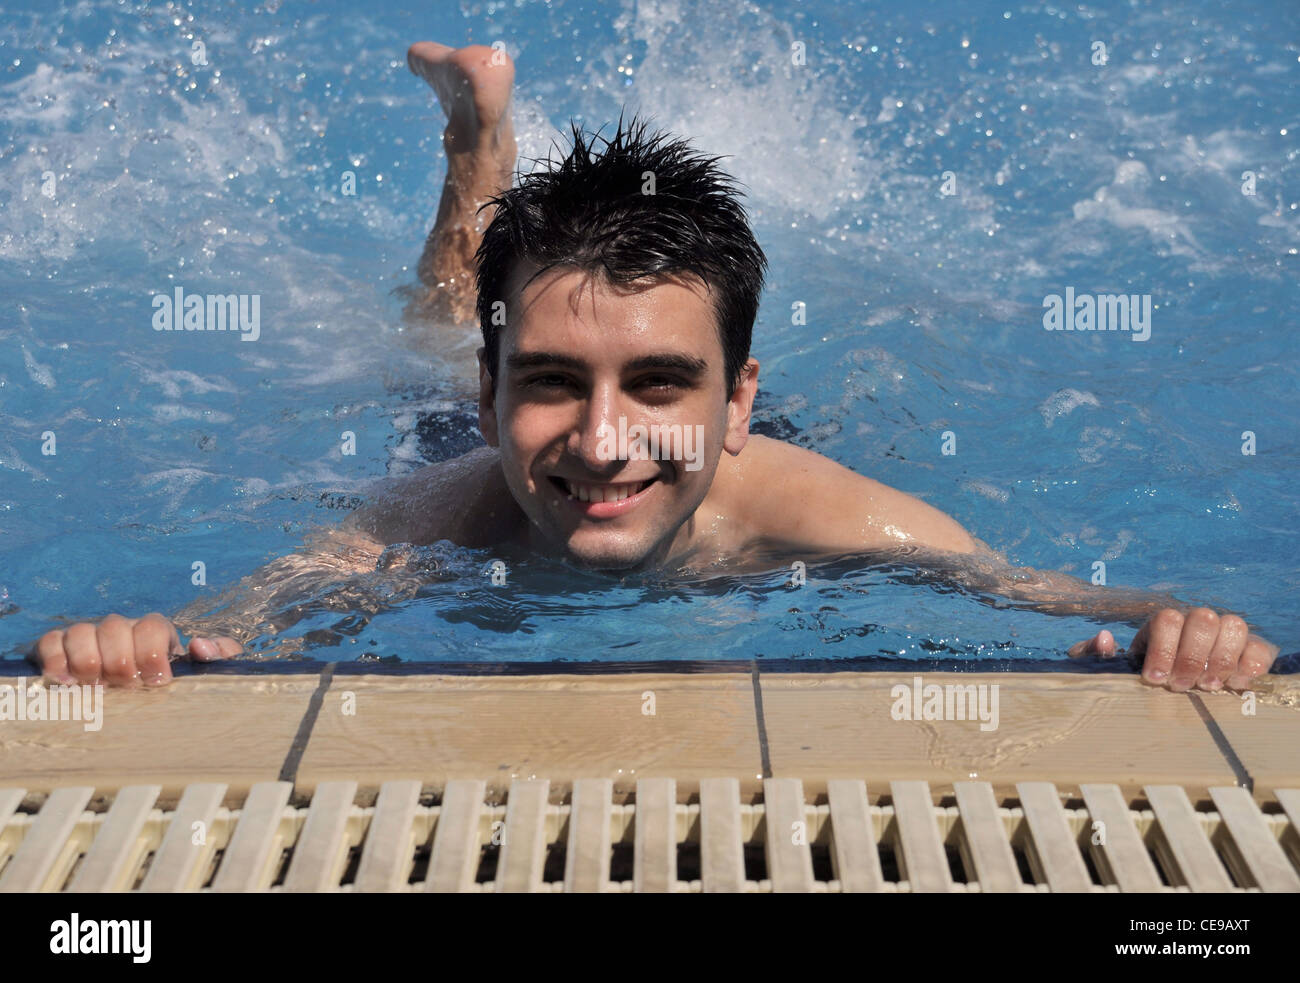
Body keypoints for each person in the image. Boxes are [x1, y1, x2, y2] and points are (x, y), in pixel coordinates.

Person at [30, 42, 1278, 693]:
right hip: (474, 435)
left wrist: (1184, 631)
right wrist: (129, 646)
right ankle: (478, 142)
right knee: (432, 327)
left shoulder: (826, 513)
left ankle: (487, 148)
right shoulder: (427, 512)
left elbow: (1043, 594)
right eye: (550, 382)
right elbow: (220, 623)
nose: (606, 440)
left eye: (663, 385)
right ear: (495, 402)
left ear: (738, 402)